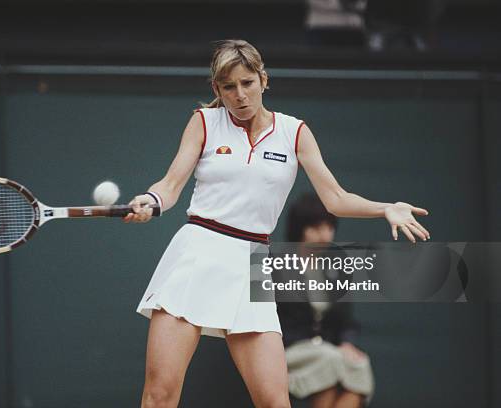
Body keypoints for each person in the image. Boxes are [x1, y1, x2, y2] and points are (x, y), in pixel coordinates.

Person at [123, 39, 430, 408]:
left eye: (247, 83)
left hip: (251, 264)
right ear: (217, 89)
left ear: (263, 80)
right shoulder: (204, 121)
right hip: (197, 253)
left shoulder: (294, 133)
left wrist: (386, 208)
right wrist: (152, 201)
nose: (239, 95)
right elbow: (170, 186)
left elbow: (336, 198)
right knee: (159, 396)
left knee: (274, 402)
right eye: (229, 87)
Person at [277, 193, 374, 408]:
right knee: (330, 361)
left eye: (329, 228)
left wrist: (347, 343)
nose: (324, 235)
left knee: (358, 363)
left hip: (329, 350)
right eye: (316, 228)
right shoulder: (275, 265)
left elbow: (346, 320)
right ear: (299, 229)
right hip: (289, 350)